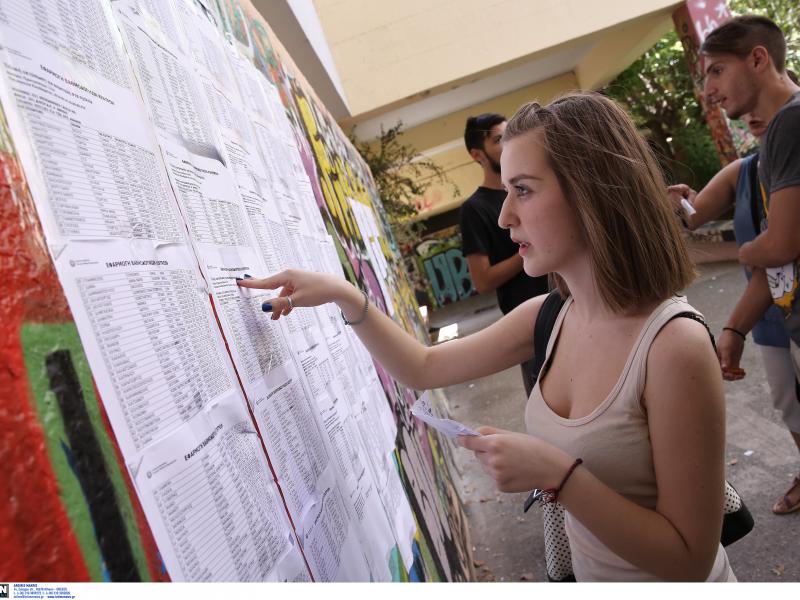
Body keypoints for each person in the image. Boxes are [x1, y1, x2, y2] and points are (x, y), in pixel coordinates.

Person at [239, 92, 735, 581]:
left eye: (523, 190)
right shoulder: (547, 315)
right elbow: (423, 368)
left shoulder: (674, 346)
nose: (504, 217)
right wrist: (344, 294)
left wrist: (559, 476)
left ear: (593, 191)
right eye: (506, 190)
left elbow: (689, 559)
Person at [669, 112, 800, 515]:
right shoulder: (742, 172)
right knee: (786, 398)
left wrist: (751, 252)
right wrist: (674, 200)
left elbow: (779, 249)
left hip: (783, 299)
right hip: (765, 310)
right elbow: (693, 214)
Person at [702, 15, 800, 514]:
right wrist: (736, 328)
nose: (710, 90)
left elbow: (781, 244)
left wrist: (744, 250)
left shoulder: (791, 123)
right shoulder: (774, 140)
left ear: (758, 59)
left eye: (716, 71)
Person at [459, 113, 548, 396]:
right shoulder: (474, 209)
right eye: (499, 139)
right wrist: (532, 250)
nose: (509, 143)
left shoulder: (534, 183)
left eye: (510, 134)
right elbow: (482, 280)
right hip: (530, 329)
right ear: (477, 154)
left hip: (571, 304)